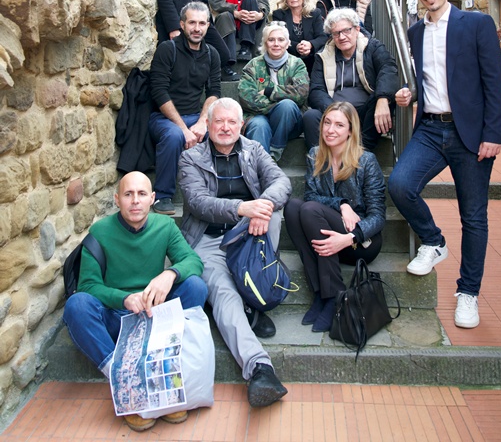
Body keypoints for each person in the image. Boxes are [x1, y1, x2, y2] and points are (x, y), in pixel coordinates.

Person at [388, 0, 501, 330]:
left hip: (471, 133)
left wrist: (493, 132)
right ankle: (433, 240)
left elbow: (493, 80)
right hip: (430, 128)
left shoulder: (476, 24)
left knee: (473, 216)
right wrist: (411, 95)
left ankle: (468, 293)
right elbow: (430, 80)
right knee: (400, 184)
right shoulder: (414, 32)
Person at [63, 171, 208, 433]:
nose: (135, 201)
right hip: (116, 317)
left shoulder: (164, 227)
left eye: (142, 194)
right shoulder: (100, 231)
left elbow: (194, 262)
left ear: (152, 199)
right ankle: (123, 379)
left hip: (154, 317)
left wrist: (169, 273)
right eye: (128, 194)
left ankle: (166, 367)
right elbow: (87, 285)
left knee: (195, 286)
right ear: (117, 199)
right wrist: (124, 298)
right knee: (77, 306)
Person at [178, 98, 291, 408]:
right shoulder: (190, 157)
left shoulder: (254, 149)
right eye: (219, 122)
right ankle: (260, 369)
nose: (225, 127)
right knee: (225, 296)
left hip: (249, 237)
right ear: (209, 125)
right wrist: (243, 208)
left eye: (231, 122)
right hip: (209, 239)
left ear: (241, 125)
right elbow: (198, 202)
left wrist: (261, 208)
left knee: (274, 211)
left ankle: (253, 292)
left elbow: (281, 181)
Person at [285, 102, 385, 332]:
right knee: (292, 208)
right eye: (327, 123)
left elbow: (378, 217)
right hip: (327, 233)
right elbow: (311, 195)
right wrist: (342, 205)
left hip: (361, 242)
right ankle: (320, 293)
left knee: (309, 209)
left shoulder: (366, 161)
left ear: (351, 130)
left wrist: (349, 238)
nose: (330, 130)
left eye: (339, 125)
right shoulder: (315, 155)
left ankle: (335, 294)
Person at [149, 2, 221, 215]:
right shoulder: (167, 49)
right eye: (192, 23)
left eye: (202, 23)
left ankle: (215, 192)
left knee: (219, 133)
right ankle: (163, 195)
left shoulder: (212, 54)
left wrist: (202, 122)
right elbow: (159, 92)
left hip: (195, 116)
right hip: (164, 118)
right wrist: (183, 128)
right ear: (182, 24)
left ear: (208, 25)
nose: (197, 28)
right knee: (173, 137)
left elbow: (214, 92)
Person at [303, 8, 398, 152]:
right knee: (311, 116)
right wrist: (335, 111)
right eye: (336, 33)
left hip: (364, 114)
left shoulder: (372, 47)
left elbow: (388, 68)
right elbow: (316, 90)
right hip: (334, 110)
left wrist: (383, 98)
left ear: (357, 29)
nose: (342, 37)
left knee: (379, 99)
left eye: (346, 30)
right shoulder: (323, 55)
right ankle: (323, 164)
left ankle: (361, 156)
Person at [238, 22, 309, 162]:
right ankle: (261, 168)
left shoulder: (297, 64)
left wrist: (269, 91)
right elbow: (246, 97)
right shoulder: (253, 65)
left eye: (281, 40)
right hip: (258, 118)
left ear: (288, 43)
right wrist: (274, 107)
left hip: (290, 122)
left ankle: (275, 151)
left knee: (287, 106)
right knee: (259, 125)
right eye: (271, 40)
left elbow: (301, 94)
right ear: (265, 43)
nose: (276, 44)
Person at [272, 0, 328, 74]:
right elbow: (278, 38)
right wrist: (296, 46)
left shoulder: (315, 13)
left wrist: (310, 45)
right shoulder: (279, 15)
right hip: (288, 60)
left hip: (312, 60)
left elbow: (323, 37)